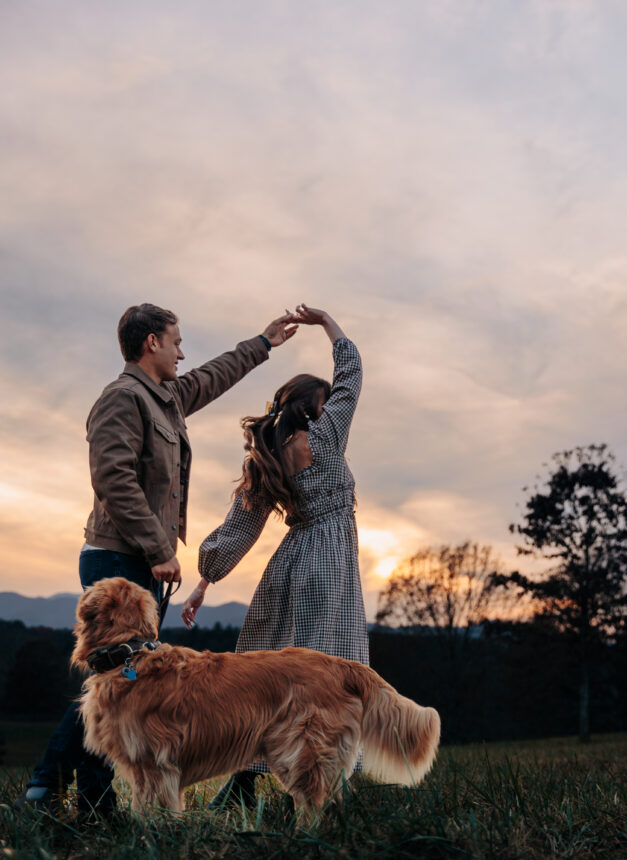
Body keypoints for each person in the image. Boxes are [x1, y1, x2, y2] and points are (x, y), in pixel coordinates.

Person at [14, 302, 297, 816]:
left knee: (121, 693)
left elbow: (212, 378)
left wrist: (264, 342)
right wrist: (160, 548)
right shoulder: (122, 399)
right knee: (110, 690)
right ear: (152, 344)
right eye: (176, 341)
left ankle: (94, 804)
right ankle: (43, 789)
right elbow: (113, 479)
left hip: (141, 564)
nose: (182, 351)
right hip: (117, 564)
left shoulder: (164, 398)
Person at [181, 304, 368, 808]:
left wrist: (205, 580)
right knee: (328, 678)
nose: (332, 409)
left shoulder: (268, 456)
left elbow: (239, 529)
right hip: (327, 571)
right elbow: (351, 371)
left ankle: (243, 785)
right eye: (325, 404)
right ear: (315, 407)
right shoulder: (328, 434)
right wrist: (327, 322)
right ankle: (316, 788)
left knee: (272, 681)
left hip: (289, 569)